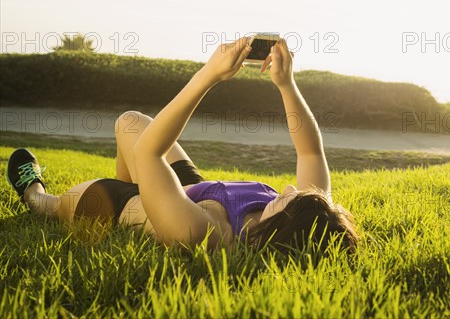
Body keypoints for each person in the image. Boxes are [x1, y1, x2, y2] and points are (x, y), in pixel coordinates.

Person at [6, 37, 358, 254]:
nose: (289, 187)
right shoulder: (308, 213)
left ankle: (35, 193)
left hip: (114, 204)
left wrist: (209, 75)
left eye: (288, 198)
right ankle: (149, 186)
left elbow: (149, 151)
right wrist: (286, 84)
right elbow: (311, 152)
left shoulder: (205, 234)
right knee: (129, 121)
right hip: (193, 187)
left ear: (280, 230)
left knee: (48, 206)